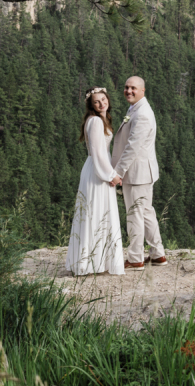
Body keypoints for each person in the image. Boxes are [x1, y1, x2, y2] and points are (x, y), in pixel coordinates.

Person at [65, 87, 125, 276]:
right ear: (91, 105)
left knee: (96, 213)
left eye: (103, 99)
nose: (101, 103)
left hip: (96, 169)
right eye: (96, 101)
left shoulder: (98, 121)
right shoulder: (96, 122)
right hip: (98, 172)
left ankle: (95, 261)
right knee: (97, 213)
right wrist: (111, 175)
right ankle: (91, 263)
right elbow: (98, 153)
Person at [111, 76, 167, 271]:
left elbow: (132, 147)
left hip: (137, 174)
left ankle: (135, 258)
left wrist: (118, 172)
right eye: (126, 87)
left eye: (133, 88)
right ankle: (157, 254)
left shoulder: (142, 114)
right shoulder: (136, 109)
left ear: (143, 90)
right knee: (145, 212)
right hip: (142, 172)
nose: (129, 91)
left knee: (135, 214)